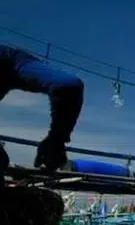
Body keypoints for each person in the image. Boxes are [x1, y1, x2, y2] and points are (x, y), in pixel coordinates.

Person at [0, 44, 84, 176]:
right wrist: (57, 138)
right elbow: (68, 84)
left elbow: (67, 85)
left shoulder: (10, 58)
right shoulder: (13, 57)